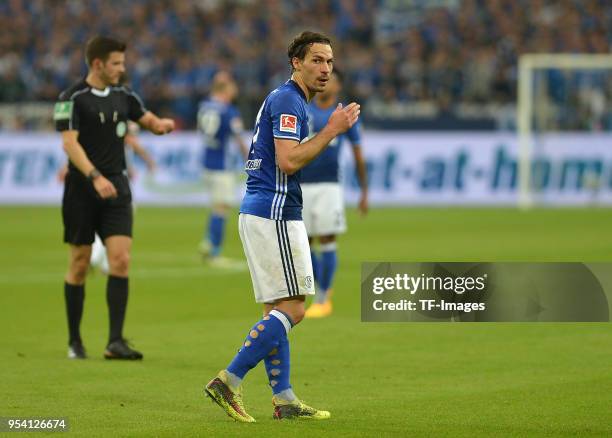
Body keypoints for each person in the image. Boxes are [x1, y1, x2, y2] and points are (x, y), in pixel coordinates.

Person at [204, 31, 360, 422]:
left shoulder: (287, 99)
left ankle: (285, 398)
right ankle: (228, 379)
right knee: (294, 308)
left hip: (262, 210)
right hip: (274, 212)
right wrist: (331, 130)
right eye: (317, 60)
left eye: (329, 61)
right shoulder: (290, 100)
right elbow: (288, 161)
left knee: (275, 309)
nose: (325, 69)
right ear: (296, 62)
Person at [54, 36, 174, 360]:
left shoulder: (124, 94)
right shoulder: (71, 99)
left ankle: (115, 341)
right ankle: (75, 340)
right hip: (82, 189)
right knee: (79, 264)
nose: (122, 68)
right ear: (97, 64)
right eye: (116, 63)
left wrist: (159, 125)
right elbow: (70, 144)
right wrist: (95, 176)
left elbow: (144, 118)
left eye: (123, 62)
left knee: (120, 260)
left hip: (117, 187)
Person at [302, 68, 368, 318]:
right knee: (303, 243)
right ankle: (319, 289)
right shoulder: (303, 110)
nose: (326, 82)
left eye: (332, 79)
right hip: (301, 184)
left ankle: (323, 296)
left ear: (338, 86)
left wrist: (364, 191)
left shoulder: (344, 116)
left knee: (327, 240)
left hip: (329, 185)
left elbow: (358, 153)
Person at [57, 121, 156, 276]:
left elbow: (80, 147)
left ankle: (105, 264)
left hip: (98, 176)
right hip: (115, 178)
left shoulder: (102, 121)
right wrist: (149, 161)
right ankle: (96, 258)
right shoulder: (122, 118)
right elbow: (130, 143)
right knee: (117, 222)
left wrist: (65, 168)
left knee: (104, 222)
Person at [197, 71, 248, 265]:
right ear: (225, 88)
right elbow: (238, 137)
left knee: (216, 205)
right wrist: (249, 158)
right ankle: (213, 249)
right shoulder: (229, 111)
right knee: (222, 208)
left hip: (207, 163)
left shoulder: (204, 106)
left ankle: (209, 242)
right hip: (222, 165)